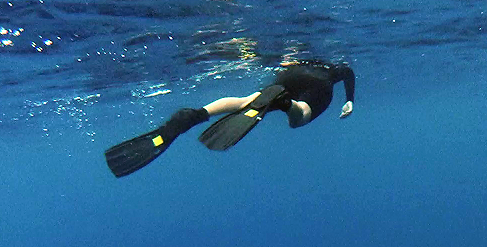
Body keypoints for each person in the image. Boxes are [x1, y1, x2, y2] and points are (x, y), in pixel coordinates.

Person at [105, 60, 356, 178]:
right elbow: (348, 72)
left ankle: (198, 114)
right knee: (299, 117)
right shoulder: (333, 69)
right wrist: (350, 100)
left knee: (250, 100)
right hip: (320, 85)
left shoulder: (305, 58)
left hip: (291, 73)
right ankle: (287, 104)